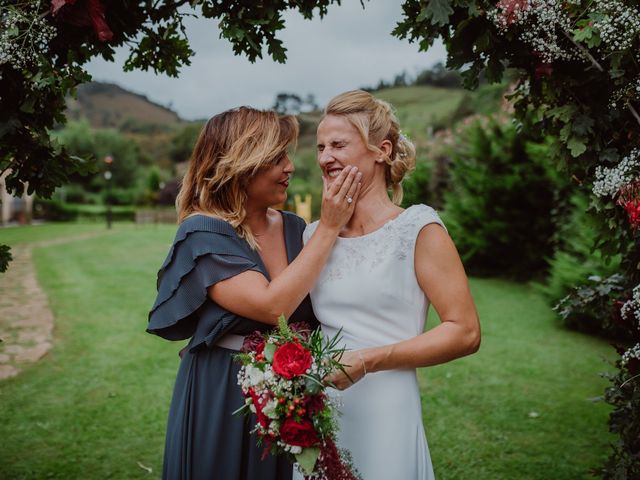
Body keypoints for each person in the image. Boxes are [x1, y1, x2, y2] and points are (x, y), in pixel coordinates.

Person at [147, 106, 362, 480]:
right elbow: (271, 306)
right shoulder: (203, 232)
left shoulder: (297, 229)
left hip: (293, 395)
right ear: (241, 162)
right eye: (277, 158)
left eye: (289, 156)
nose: (290, 168)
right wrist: (329, 228)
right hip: (224, 392)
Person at [299, 91, 481, 480]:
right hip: (322, 410)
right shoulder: (313, 234)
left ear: (381, 150)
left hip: (388, 408)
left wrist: (368, 360)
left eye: (338, 145)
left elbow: (465, 332)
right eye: (320, 147)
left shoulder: (417, 228)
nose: (324, 157)